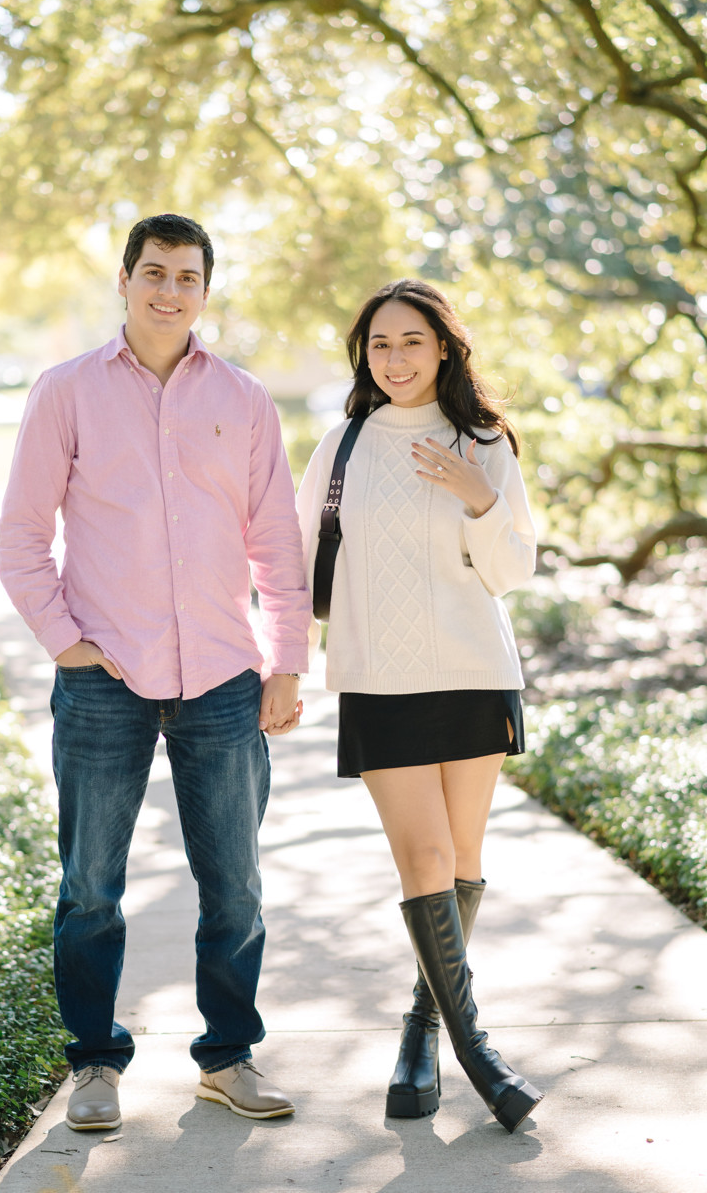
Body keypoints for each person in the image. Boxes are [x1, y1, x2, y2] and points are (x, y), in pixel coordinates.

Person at [0, 213, 312, 1128]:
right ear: (125, 281)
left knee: (237, 884)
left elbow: (276, 543)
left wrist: (286, 661)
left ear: (205, 289)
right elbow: (21, 538)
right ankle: (95, 1063)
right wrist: (63, 641)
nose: (170, 291)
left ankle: (228, 1056)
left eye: (187, 276)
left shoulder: (246, 400)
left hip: (221, 678)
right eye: (154, 273)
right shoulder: (65, 392)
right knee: (90, 883)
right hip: (104, 680)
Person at [296, 278, 544, 1133]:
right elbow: (296, 570)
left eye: (410, 341)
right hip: (380, 682)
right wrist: (285, 666)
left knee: (462, 860)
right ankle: (480, 1053)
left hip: (475, 674)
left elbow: (512, 572)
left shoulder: (484, 440)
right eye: (378, 345)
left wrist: (478, 496)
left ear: (444, 347)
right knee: (425, 857)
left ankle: (421, 1031)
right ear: (364, 356)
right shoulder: (343, 445)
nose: (394, 358)